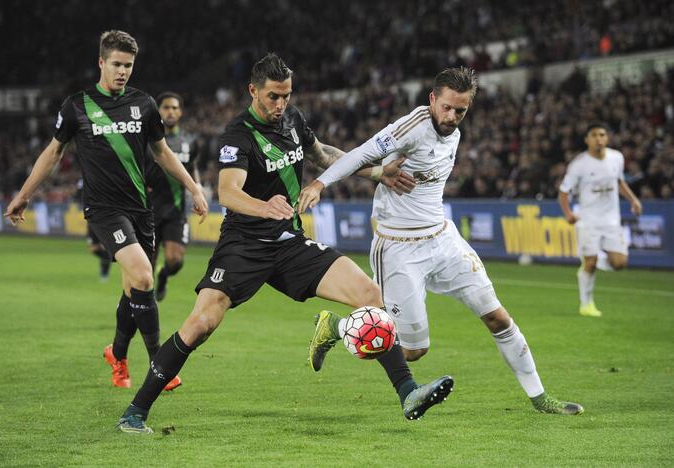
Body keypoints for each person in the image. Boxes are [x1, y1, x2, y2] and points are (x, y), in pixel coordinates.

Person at [116, 53, 451, 434]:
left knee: (369, 293)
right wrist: (265, 206)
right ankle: (136, 410)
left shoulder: (292, 119)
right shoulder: (237, 135)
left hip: (290, 243)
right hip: (244, 244)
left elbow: (323, 155)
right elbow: (228, 192)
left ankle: (408, 392)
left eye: (286, 96)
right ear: (253, 90)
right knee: (201, 324)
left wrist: (377, 172)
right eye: (273, 97)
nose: (280, 105)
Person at [299, 67, 583, 415]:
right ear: (433, 99)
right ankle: (337, 326)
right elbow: (361, 153)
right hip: (399, 248)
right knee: (413, 350)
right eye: (446, 107)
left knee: (498, 318)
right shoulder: (412, 128)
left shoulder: (454, 133)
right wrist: (320, 184)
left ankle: (541, 398)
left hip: (444, 240)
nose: (451, 117)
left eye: (460, 110)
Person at [4, 30, 208, 391]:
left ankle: (117, 354)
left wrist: (194, 188)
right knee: (144, 276)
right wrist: (24, 194)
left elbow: (162, 153)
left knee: (134, 288)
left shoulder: (144, 105)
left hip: (140, 211)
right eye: (116, 64)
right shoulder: (77, 106)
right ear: (101, 62)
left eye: (128, 66)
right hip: (104, 211)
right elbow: (53, 153)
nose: (122, 72)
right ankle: (160, 366)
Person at [558, 123, 642, 317]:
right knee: (591, 261)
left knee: (619, 263)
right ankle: (586, 305)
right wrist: (569, 214)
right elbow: (563, 192)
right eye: (594, 135)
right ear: (587, 140)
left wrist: (633, 199)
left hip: (612, 220)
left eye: (602, 134)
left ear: (607, 138)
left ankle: (590, 262)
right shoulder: (579, 164)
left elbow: (619, 182)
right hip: (588, 220)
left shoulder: (616, 158)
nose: (599, 138)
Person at [146, 92, 200, 301]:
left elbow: (192, 166)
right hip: (148, 211)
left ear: (181, 112)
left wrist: (198, 188)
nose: (171, 111)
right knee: (144, 269)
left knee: (175, 260)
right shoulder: (147, 140)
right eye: (166, 107)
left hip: (176, 212)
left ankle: (164, 276)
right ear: (159, 111)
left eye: (175, 108)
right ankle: (142, 311)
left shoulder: (190, 141)